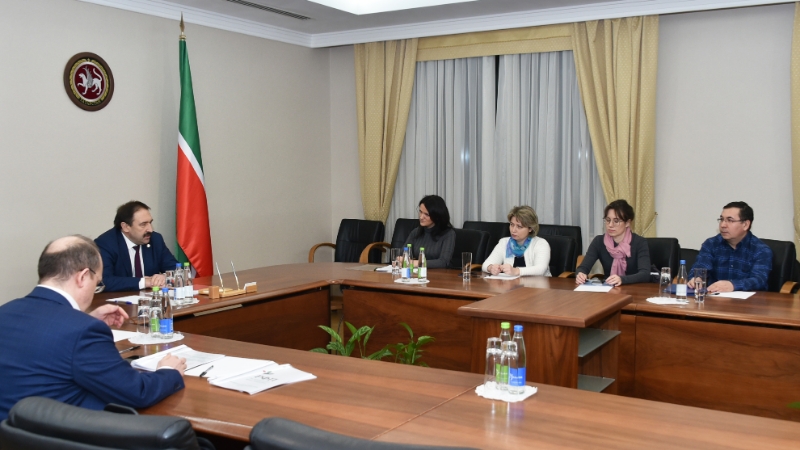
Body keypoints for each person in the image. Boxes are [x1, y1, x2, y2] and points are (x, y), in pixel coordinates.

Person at [0, 235, 186, 421]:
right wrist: (168, 371)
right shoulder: (82, 331)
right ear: (82, 277)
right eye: (97, 284)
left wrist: (85, 320)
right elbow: (138, 393)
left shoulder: (5, 312)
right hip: (60, 433)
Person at [95, 201, 179, 292]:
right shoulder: (105, 244)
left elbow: (177, 270)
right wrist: (144, 282)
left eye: (150, 223)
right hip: (118, 299)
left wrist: (164, 277)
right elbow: (103, 281)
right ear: (125, 227)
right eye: (143, 224)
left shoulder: (155, 239)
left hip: (149, 297)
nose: (150, 229)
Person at [688, 201, 772, 292]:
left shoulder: (761, 250)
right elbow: (700, 267)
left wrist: (733, 285)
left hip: (748, 300)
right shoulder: (711, 244)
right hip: (714, 298)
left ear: (745, 225)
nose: (723, 225)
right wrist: (697, 278)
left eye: (730, 220)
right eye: (721, 219)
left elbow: (759, 280)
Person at [575, 199, 651, 286]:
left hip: (634, 288)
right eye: (608, 220)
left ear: (627, 223)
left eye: (616, 221)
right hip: (608, 288)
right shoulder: (599, 241)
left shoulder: (639, 242)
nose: (610, 225)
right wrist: (580, 274)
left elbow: (645, 274)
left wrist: (622, 279)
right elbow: (583, 267)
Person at [482, 206, 551, 276]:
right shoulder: (504, 242)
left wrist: (516, 271)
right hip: (512, 282)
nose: (513, 230)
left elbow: (540, 269)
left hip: (538, 282)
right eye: (512, 225)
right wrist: (491, 268)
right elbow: (486, 264)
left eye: (519, 227)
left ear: (530, 228)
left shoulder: (540, 243)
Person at [403, 195, 456, 269]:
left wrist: (417, 262)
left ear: (437, 216)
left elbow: (444, 262)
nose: (421, 217)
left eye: (426, 214)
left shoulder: (449, 234)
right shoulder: (416, 232)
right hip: (418, 273)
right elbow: (404, 252)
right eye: (420, 212)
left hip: (440, 274)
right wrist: (401, 258)